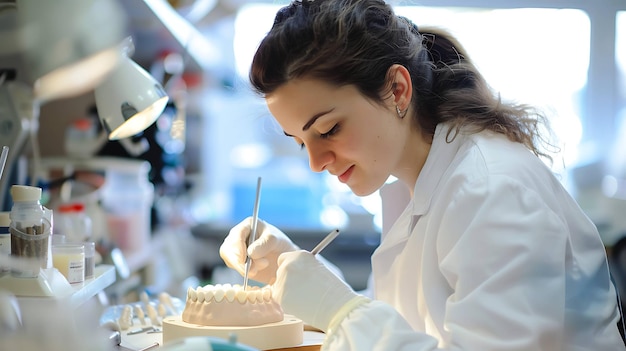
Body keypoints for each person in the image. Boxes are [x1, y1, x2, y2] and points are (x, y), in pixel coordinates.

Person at [219, 0, 626, 349]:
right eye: (301, 142)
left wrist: (338, 308)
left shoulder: (493, 190)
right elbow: (408, 327)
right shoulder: (420, 185)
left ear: (397, 89)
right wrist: (296, 271)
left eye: (329, 130)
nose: (316, 161)